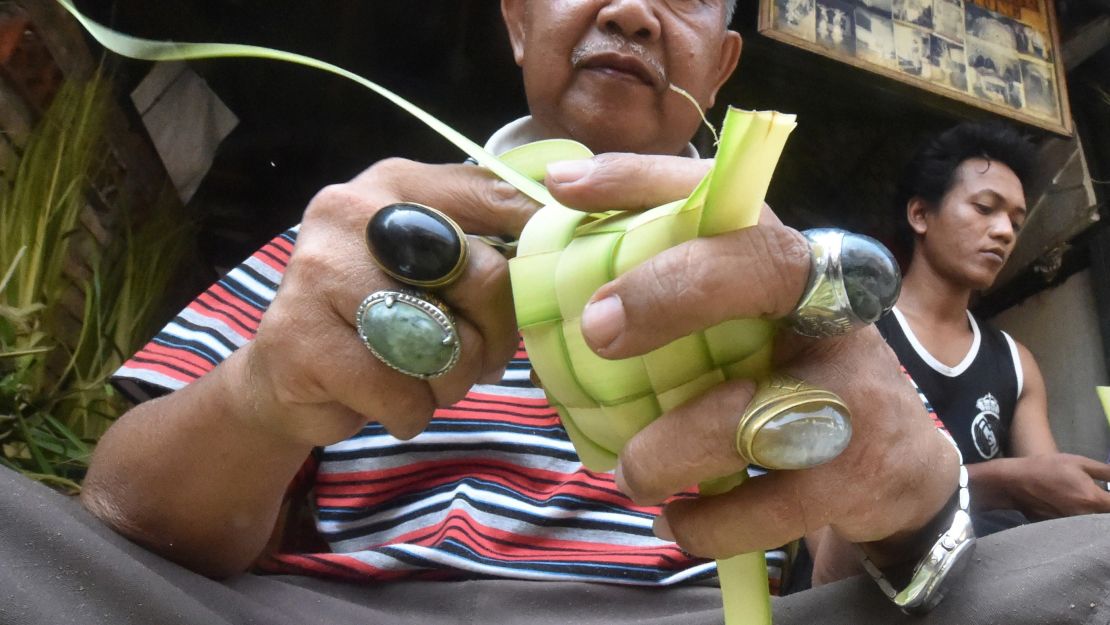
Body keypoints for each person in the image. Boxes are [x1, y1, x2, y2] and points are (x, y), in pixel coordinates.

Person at [3, 2, 1107, 624]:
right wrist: (262, 396)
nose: (629, 8)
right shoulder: (372, 227)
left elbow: (842, 587)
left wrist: (904, 495)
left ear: (721, 63)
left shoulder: (793, 286)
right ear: (521, 19)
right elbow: (124, 508)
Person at [876, 121, 1110, 533]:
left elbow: (1044, 495)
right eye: (985, 208)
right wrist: (1002, 482)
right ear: (920, 215)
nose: (1004, 232)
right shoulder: (857, 337)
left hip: (1001, 580)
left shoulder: (1015, 362)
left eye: (1016, 223)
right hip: (872, 585)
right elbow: (840, 508)